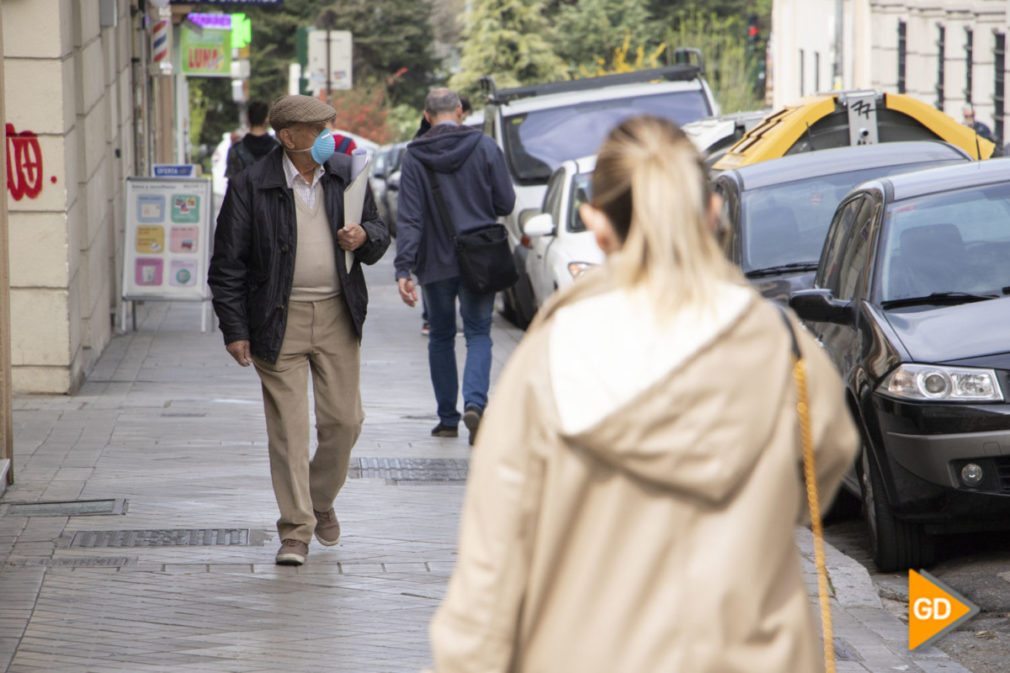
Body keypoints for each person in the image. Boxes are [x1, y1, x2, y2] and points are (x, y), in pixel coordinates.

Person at [426, 115, 859, 672]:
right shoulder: (783, 349)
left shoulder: (548, 362)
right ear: (712, 213)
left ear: (595, 225)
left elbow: (491, 575)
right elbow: (819, 474)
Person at [209, 95, 390, 566]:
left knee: (344, 423)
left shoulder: (347, 174)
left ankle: (318, 500)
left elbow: (378, 232)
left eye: (332, 125)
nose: (333, 135)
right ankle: (295, 530)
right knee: (289, 432)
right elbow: (227, 265)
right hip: (276, 318)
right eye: (322, 127)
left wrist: (366, 236)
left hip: (337, 315)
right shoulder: (251, 185)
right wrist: (235, 329)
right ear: (290, 137)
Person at [394, 88, 515, 445]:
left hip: (434, 261)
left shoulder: (414, 155)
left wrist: (404, 268)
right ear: (460, 111)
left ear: (427, 115)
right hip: (480, 258)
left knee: (442, 336)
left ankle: (447, 419)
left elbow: (410, 217)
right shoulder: (486, 147)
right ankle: (475, 403)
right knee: (479, 333)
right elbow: (505, 202)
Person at [225, 100, 279, 178]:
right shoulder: (277, 150)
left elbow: (232, 183)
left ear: (248, 119)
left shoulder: (236, 150)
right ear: (266, 119)